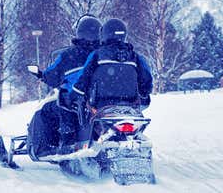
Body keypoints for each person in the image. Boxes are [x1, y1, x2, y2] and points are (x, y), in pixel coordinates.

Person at [29, 14, 102, 155]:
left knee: (45, 110)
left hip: (76, 100)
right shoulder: (104, 53)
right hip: (100, 101)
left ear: (79, 33)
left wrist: (41, 75)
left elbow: (51, 77)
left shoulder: (69, 55)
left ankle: (51, 146)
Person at [70, 18, 152, 112]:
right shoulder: (135, 57)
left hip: (100, 105)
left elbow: (83, 77)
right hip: (130, 105)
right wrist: (144, 92)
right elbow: (146, 79)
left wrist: (74, 94)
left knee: (86, 115)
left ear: (104, 34)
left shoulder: (97, 55)